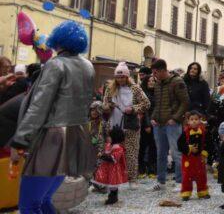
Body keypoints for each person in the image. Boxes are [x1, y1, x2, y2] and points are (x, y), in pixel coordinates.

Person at [10, 21, 95, 214]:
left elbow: (39, 107)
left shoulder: (56, 65)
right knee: (45, 198)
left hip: (52, 139)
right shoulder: (88, 66)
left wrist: (20, 141)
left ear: (58, 41)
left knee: (29, 204)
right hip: (75, 135)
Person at [102, 62, 150, 182]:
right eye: (118, 77)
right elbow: (104, 104)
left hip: (130, 125)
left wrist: (133, 109)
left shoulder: (135, 88)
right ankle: (113, 177)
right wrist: (108, 107)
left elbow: (146, 103)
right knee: (112, 151)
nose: (120, 79)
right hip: (113, 125)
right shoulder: (110, 88)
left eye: (122, 76)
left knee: (131, 152)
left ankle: (131, 178)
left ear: (127, 76)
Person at [149, 59, 189, 191]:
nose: (154, 75)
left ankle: (180, 181)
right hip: (159, 124)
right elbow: (156, 103)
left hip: (172, 124)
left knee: (176, 152)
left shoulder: (177, 82)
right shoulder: (157, 84)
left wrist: (175, 118)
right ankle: (161, 181)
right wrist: (153, 118)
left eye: (155, 72)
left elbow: (185, 102)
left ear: (162, 70)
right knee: (160, 153)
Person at [176, 110, 211, 201]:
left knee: (201, 175)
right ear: (188, 121)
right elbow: (180, 144)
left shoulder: (204, 132)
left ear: (200, 120)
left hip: (200, 158)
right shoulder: (185, 132)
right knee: (187, 176)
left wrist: (204, 152)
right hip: (188, 158)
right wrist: (188, 148)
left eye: (196, 119)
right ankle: (186, 192)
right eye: (192, 119)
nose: (194, 121)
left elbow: (208, 143)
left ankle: (202, 191)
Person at [93, 126, 128, 205]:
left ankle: (113, 197)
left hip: (114, 170)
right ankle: (111, 196)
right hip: (108, 168)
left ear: (114, 137)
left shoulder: (118, 148)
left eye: (110, 136)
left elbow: (114, 159)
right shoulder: (109, 145)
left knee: (113, 184)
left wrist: (102, 156)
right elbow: (107, 153)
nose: (108, 138)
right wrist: (102, 154)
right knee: (109, 182)